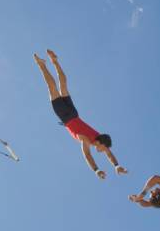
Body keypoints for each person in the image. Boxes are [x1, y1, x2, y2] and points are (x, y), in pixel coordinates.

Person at [34, 49, 127, 179]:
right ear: (101, 143)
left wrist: (116, 166)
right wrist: (96, 170)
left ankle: (55, 62)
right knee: (53, 88)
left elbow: (109, 154)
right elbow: (87, 156)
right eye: (103, 148)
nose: (103, 151)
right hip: (65, 116)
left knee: (63, 86)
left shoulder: (97, 136)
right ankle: (41, 64)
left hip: (74, 113)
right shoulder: (86, 139)